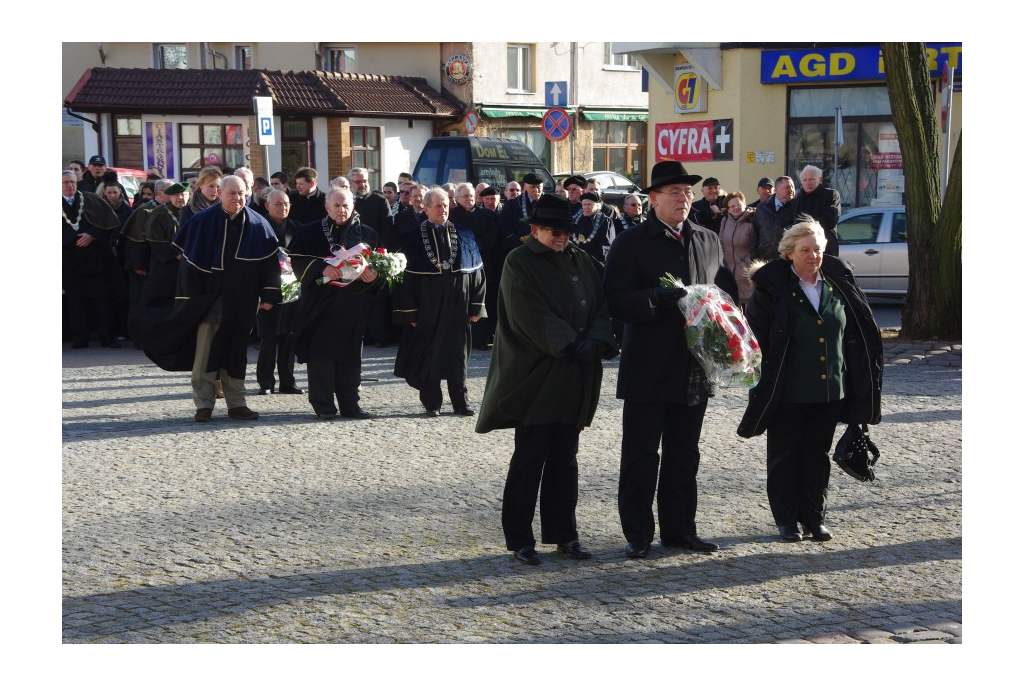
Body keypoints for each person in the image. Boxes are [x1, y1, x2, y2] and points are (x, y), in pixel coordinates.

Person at [602, 160, 738, 559]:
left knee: (684, 454)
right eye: (674, 192)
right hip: (648, 365)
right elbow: (614, 300)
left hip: (694, 368)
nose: (684, 198)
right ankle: (638, 532)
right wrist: (653, 300)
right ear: (654, 198)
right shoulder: (632, 242)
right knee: (642, 454)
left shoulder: (707, 239)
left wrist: (729, 322)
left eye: (687, 192)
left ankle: (680, 530)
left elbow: (722, 290)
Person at [476, 193, 618, 565]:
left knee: (565, 459)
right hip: (535, 374)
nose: (562, 238)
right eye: (555, 232)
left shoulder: (581, 259)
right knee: (529, 458)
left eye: (567, 232)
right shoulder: (518, 262)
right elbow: (529, 313)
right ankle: (520, 538)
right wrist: (571, 343)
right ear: (535, 230)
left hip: (574, 374)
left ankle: (565, 534)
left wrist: (599, 339)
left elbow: (600, 303)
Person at [738, 221, 882, 543]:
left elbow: (858, 335)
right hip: (787, 390)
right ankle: (786, 520)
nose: (814, 255)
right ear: (790, 254)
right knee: (785, 456)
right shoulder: (773, 290)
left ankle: (814, 518)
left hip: (830, 390)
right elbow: (756, 338)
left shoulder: (838, 284)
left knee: (817, 456)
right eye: (806, 250)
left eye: (818, 248)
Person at [168, 175, 280, 422]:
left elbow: (270, 265)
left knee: (236, 351)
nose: (237, 198)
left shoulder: (259, 224)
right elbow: (186, 264)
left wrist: (270, 295)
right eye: (232, 193)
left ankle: (237, 403)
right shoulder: (200, 222)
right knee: (205, 352)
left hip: (242, 299)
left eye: (242, 194)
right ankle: (204, 404)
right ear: (219, 193)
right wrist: (191, 300)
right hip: (209, 299)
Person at [289, 187, 381, 419]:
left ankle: (350, 404)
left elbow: (378, 262)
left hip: (353, 305)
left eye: (346, 205)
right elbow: (296, 260)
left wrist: (374, 275)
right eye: (337, 206)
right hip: (319, 305)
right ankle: (324, 405)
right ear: (327, 207)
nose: (342, 210)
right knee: (321, 355)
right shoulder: (309, 232)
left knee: (350, 357)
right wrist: (321, 268)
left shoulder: (367, 234)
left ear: (353, 206)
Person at [393, 187, 486, 417]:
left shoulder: (465, 234)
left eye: (446, 204)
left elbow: (478, 274)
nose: (443, 209)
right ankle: (432, 403)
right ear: (425, 209)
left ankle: (460, 402)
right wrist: (410, 313)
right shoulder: (411, 238)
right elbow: (403, 281)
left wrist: (476, 306)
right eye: (438, 205)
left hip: (459, 306)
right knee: (430, 355)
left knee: (457, 355)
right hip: (427, 307)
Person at [63, 170, 121, 349]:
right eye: (65, 182)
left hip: (95, 260)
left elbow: (109, 223)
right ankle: (80, 338)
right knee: (76, 303)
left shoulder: (91, 199)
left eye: (72, 182)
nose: (70, 186)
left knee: (102, 302)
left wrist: (92, 235)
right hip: (70, 262)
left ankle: (107, 337)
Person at [255, 189, 303, 396]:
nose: (283, 207)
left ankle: (287, 382)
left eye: (286, 204)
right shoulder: (258, 228)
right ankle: (266, 382)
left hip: (292, 290)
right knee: (268, 338)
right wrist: (261, 296)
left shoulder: (298, 228)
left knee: (289, 338)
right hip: (269, 291)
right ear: (267, 206)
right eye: (278, 204)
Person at [451, 182, 498, 351]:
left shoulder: (486, 215)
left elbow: (492, 235)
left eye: (471, 195)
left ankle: (482, 339)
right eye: (465, 196)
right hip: (461, 266)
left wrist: (475, 246)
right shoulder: (452, 216)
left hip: (483, 263)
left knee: (483, 302)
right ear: (456, 199)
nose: (469, 199)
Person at [142, 182, 191, 308]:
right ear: (170, 196)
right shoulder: (159, 213)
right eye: (176, 195)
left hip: (189, 263)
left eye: (183, 194)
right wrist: (175, 254)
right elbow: (154, 238)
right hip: (166, 264)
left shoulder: (192, 211)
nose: (180, 198)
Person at [791, 165, 842, 256]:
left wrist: (804, 225)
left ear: (820, 180)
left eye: (811, 179)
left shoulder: (830, 195)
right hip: (803, 249)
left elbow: (829, 221)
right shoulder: (797, 199)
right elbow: (793, 223)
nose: (808, 183)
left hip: (825, 249)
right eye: (805, 180)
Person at [719, 191, 757, 309]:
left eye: (738, 204)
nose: (736, 208)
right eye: (732, 206)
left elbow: (755, 247)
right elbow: (721, 242)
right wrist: (723, 262)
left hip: (746, 272)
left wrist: (745, 264)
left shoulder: (752, 222)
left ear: (744, 204)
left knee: (749, 308)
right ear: (728, 209)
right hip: (729, 272)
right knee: (734, 308)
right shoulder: (725, 221)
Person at [571, 191, 616, 273]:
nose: (586, 207)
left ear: (597, 206)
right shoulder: (576, 220)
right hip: (576, 263)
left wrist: (589, 260)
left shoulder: (605, 221)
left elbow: (606, 246)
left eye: (589, 204)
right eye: (584, 205)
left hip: (595, 265)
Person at [752, 175, 796, 260]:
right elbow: (754, 235)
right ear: (776, 190)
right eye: (787, 187)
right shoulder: (762, 207)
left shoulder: (797, 207)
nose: (791, 190)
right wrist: (753, 257)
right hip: (764, 258)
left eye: (792, 187)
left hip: (786, 258)